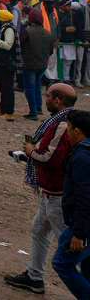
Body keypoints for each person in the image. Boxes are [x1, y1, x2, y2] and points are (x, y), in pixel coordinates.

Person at [5, 82, 78, 295]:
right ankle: (34, 276)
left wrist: (29, 152)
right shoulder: (61, 121)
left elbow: (50, 158)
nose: (44, 99)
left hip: (58, 193)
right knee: (39, 231)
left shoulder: (63, 125)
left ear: (58, 100)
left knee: (69, 242)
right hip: (51, 191)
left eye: (48, 96)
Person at [52, 110, 90, 298]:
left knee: (62, 263)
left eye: (68, 128)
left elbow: (85, 197)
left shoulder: (82, 157)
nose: (66, 132)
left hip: (83, 224)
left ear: (77, 131)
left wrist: (79, 233)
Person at [21, 10, 57, 121]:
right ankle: (38, 108)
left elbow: (21, 46)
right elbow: (51, 51)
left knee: (29, 88)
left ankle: (33, 112)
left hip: (29, 63)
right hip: (42, 64)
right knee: (37, 86)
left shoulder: (27, 31)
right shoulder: (48, 33)